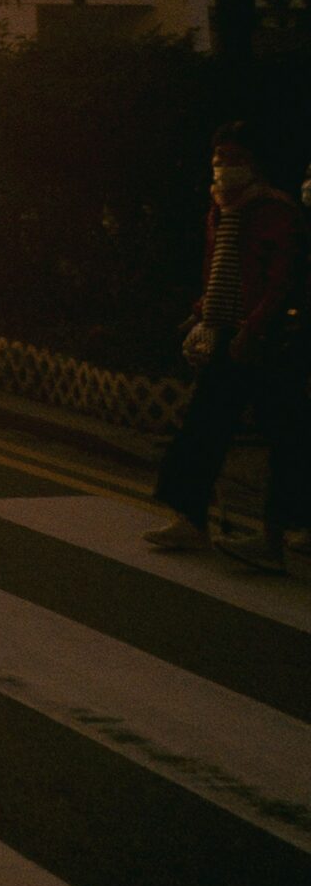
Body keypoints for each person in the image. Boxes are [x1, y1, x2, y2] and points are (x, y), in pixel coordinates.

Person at [145, 125, 301, 568]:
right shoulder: (220, 211)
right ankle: (190, 520)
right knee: (202, 429)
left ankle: (274, 538)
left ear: (253, 162)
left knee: (284, 436)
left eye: (231, 156)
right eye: (217, 157)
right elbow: (219, 271)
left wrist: (253, 329)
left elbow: (281, 278)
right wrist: (200, 314)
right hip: (225, 334)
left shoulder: (274, 210)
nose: (222, 165)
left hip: (264, 339)